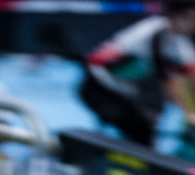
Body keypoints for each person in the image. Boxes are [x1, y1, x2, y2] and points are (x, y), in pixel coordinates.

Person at [78, 0, 195, 154]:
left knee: (147, 129)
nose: (192, 24)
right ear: (174, 16)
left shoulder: (179, 43)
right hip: (99, 91)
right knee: (141, 133)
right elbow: (97, 61)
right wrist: (190, 112)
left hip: (127, 94)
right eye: (189, 18)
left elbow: (189, 75)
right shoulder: (152, 32)